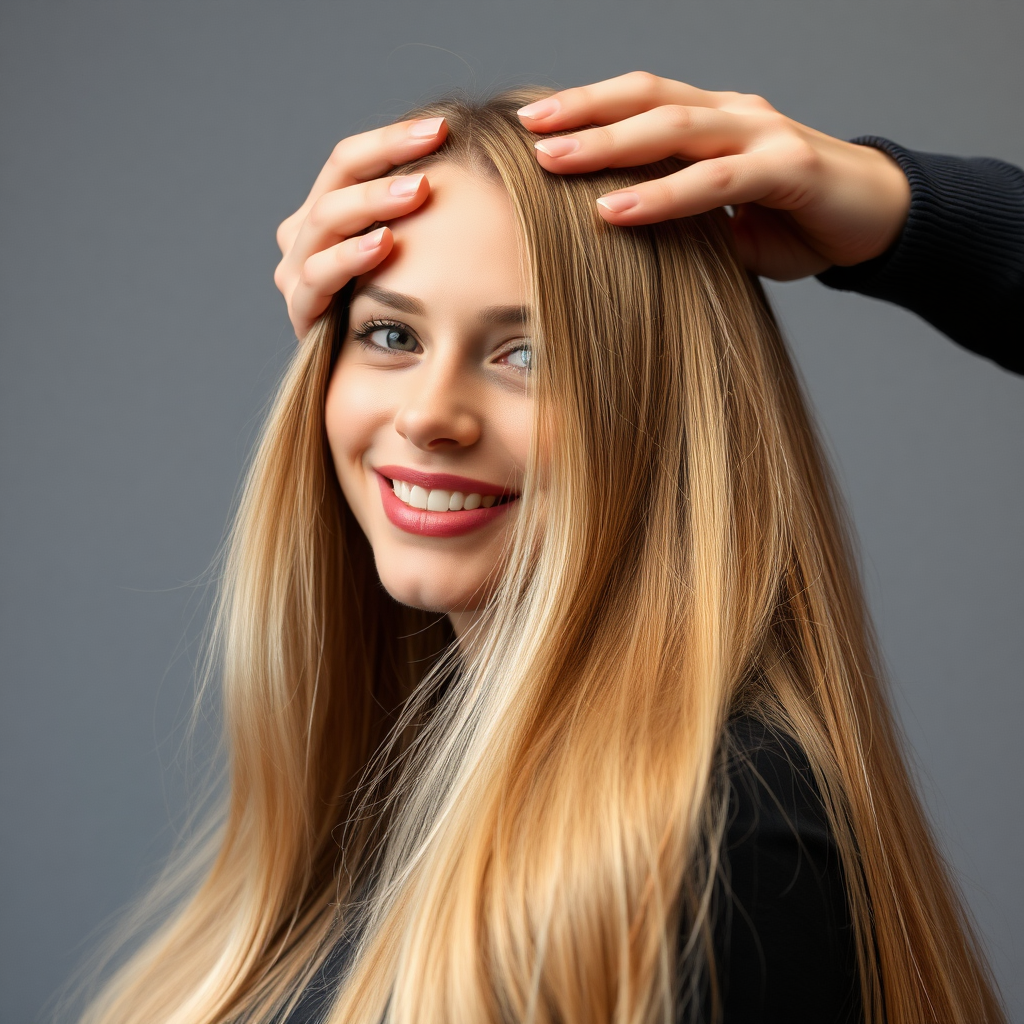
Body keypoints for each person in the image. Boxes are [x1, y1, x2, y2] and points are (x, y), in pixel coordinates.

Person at [77, 78, 1013, 1024]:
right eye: (392, 334)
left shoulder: (711, 843)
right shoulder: (379, 817)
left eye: (528, 355)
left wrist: (907, 212)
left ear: (667, 415)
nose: (429, 415)